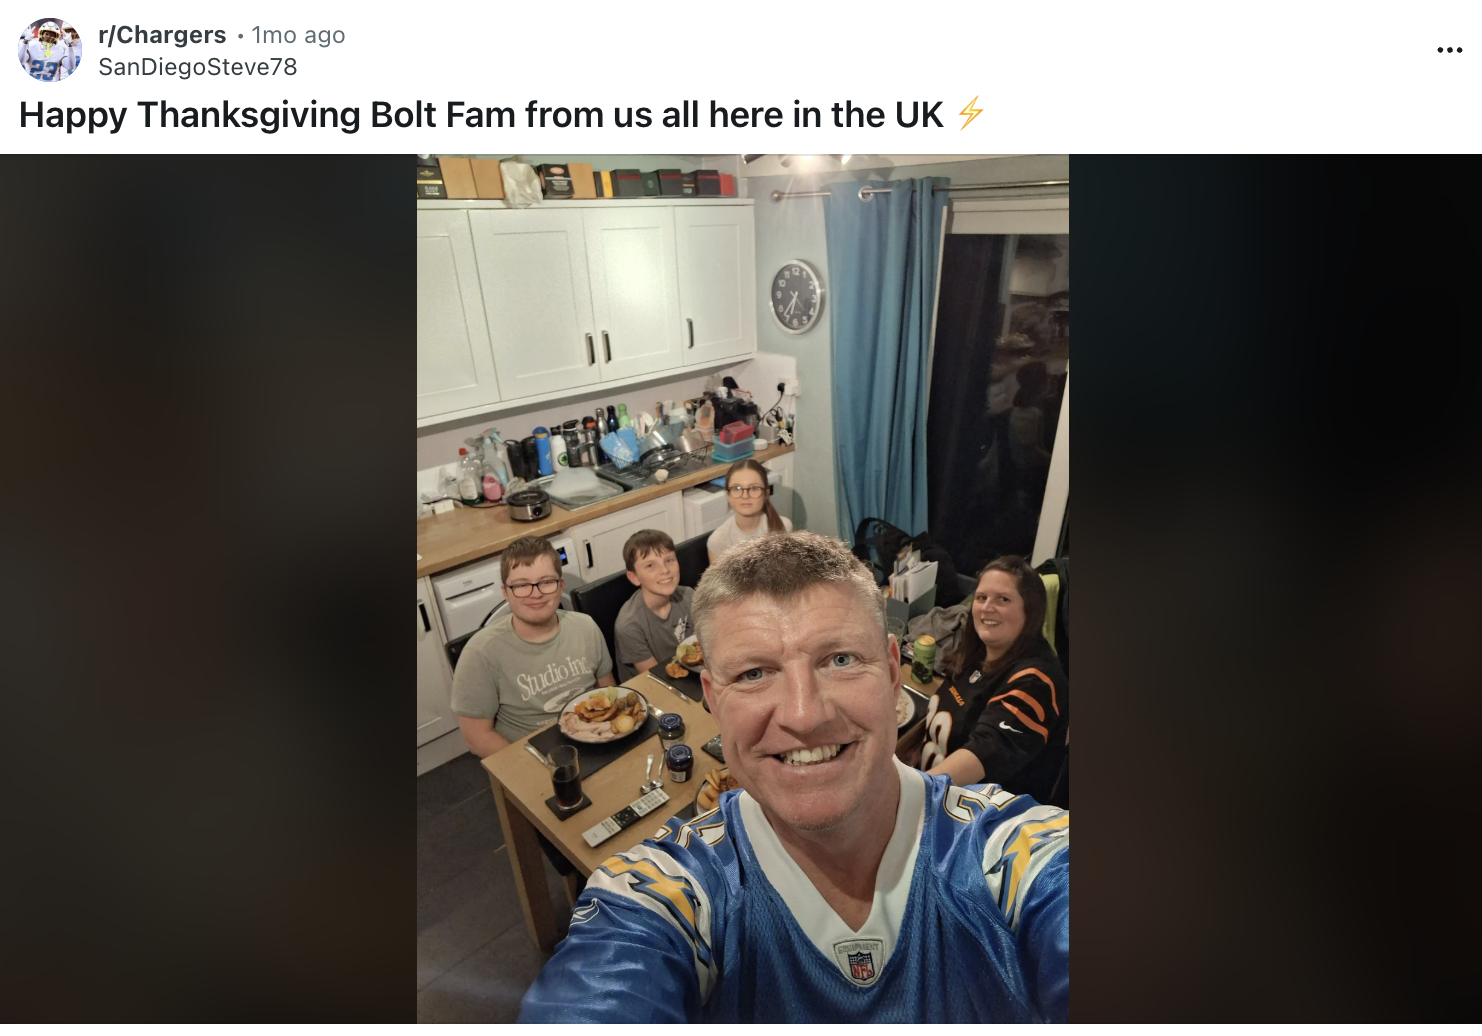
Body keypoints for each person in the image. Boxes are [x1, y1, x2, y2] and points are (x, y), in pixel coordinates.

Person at [519, 532, 1068, 1022]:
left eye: (840, 660)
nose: (804, 716)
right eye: (754, 673)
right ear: (712, 699)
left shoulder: (1013, 854)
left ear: (891, 672)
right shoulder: (660, 892)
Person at [919, 556, 1068, 807]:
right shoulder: (981, 650)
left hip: (984, 818)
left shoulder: (1037, 681)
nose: (987, 607)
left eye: (1003, 599)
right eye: (981, 597)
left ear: (1030, 610)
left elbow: (983, 753)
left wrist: (909, 792)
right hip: (938, 793)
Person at [450, 535, 615, 758]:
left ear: (561, 585)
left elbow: (607, 691)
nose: (536, 593)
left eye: (546, 582)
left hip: (594, 742)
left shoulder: (586, 627)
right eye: (521, 585)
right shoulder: (480, 653)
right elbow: (477, 736)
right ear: (505, 592)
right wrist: (533, 768)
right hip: (529, 756)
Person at [613, 529, 695, 683]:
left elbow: (704, 646)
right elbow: (658, 678)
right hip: (657, 685)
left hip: (691, 676)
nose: (665, 570)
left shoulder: (689, 596)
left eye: (669, 560)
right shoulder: (629, 624)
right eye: (651, 565)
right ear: (634, 577)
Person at [706, 458, 792, 565]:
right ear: (728, 496)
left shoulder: (784, 526)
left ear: (766, 494)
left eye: (754, 488)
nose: (745, 496)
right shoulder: (718, 541)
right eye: (737, 488)